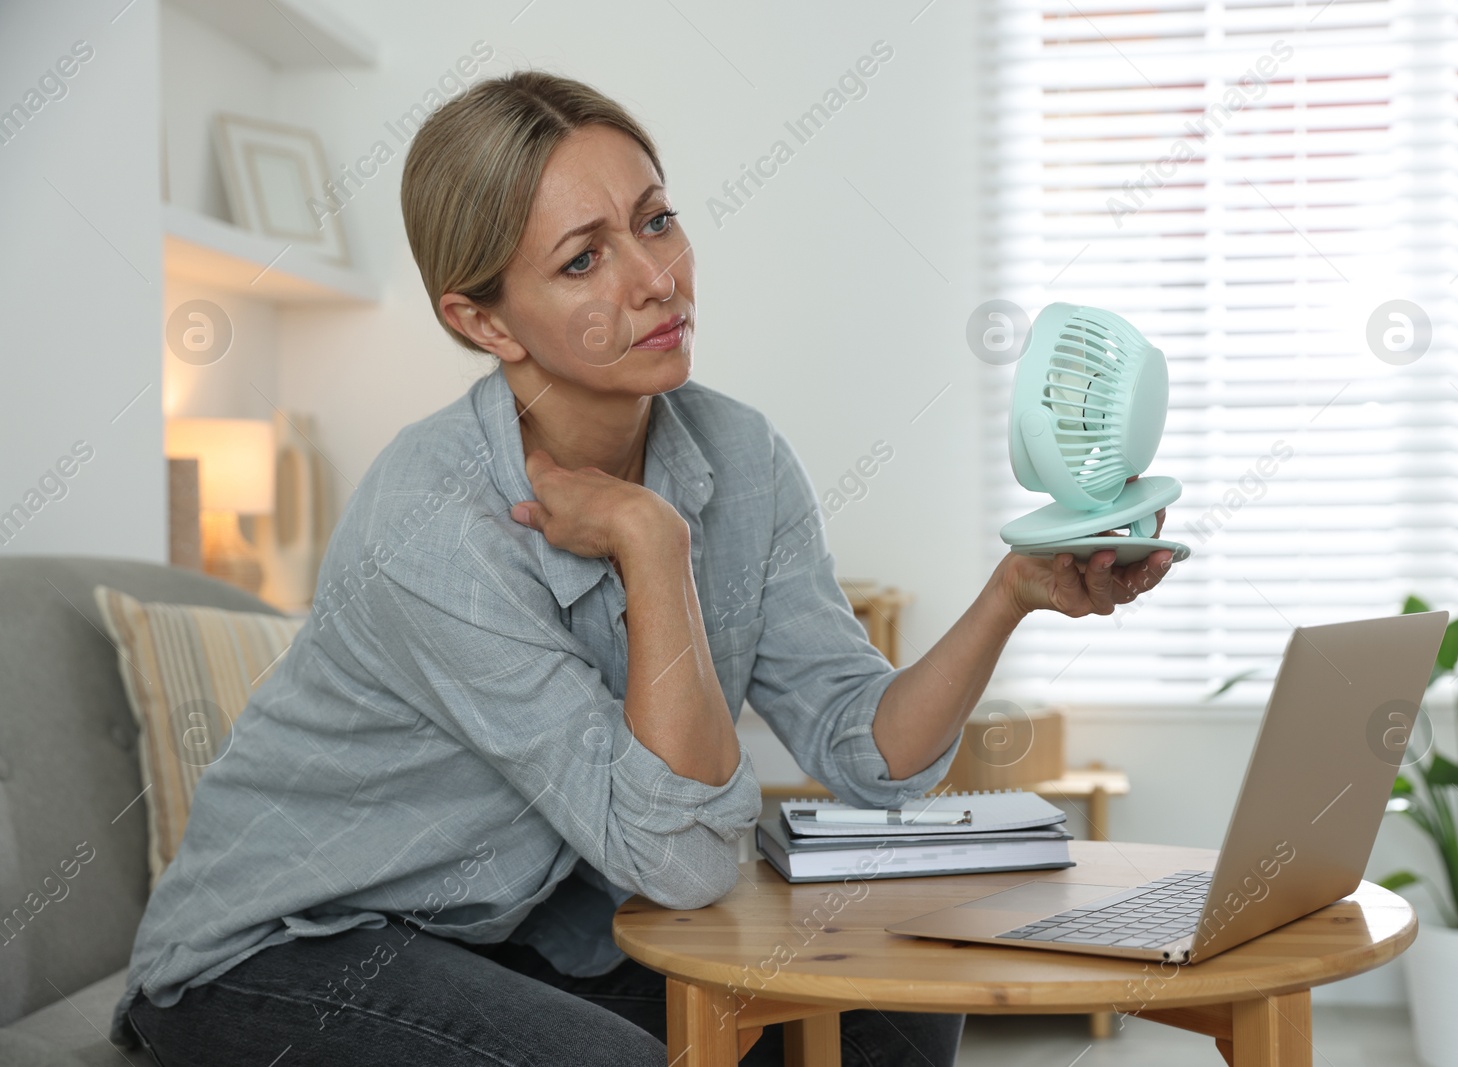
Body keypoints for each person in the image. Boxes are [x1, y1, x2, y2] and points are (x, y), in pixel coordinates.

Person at [113, 70, 1173, 1067]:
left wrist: (1010, 595)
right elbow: (682, 860)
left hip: (507, 930)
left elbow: (868, 759)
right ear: (480, 319)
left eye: (654, 220)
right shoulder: (434, 517)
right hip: (284, 948)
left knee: (892, 1004)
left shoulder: (740, 453)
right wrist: (653, 542)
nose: (655, 277)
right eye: (583, 260)